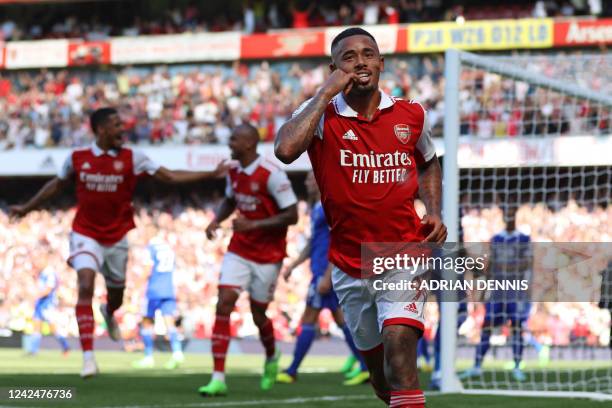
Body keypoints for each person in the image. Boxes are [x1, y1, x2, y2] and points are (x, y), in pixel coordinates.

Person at [276, 27, 446, 408]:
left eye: (368, 54)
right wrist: (325, 93)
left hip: (403, 253)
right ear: (334, 67)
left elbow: (430, 162)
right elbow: (286, 150)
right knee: (382, 378)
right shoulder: (319, 114)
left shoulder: (411, 114)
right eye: (348, 56)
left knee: (402, 358)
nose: (360, 62)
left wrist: (433, 211)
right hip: (349, 263)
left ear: (381, 63)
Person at [10, 107, 229, 378]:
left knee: (116, 295)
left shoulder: (133, 157)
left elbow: (169, 176)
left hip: (117, 237)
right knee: (86, 283)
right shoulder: (77, 158)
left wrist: (209, 174)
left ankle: (108, 310)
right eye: (115, 125)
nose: (122, 129)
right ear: (100, 129)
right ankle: (88, 358)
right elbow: (56, 185)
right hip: (85, 233)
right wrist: (27, 207)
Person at [198, 123, 298, 396]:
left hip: (268, 255)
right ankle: (218, 377)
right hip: (239, 250)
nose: (229, 142)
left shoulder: (272, 175)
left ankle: (272, 355)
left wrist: (254, 225)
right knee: (224, 303)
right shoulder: (233, 171)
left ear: (249, 143)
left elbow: (292, 215)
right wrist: (216, 220)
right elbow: (231, 200)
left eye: (234, 138)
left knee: (258, 314)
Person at [277, 172, 369, 386]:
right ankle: (366, 367)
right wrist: (293, 265)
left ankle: (292, 370)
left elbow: (339, 242)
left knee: (308, 319)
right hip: (323, 272)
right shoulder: (317, 207)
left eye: (310, 179)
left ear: (319, 181)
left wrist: (327, 275)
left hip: (325, 273)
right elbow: (313, 243)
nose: (307, 182)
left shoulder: (329, 206)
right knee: (342, 321)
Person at [459, 203, 532, 382]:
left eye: (511, 214)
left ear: (515, 216)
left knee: (516, 327)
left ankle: (516, 366)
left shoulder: (523, 238)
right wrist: (484, 288)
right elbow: (490, 266)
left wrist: (505, 268)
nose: (508, 218)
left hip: (515, 291)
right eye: (506, 214)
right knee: (487, 327)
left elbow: (526, 263)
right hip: (497, 291)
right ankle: (477, 366)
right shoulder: (496, 239)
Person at [132, 226, 184, 370]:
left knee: (147, 321)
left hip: (154, 289)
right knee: (170, 322)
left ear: (150, 233)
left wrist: (136, 287)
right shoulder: (168, 248)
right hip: (168, 289)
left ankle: (148, 357)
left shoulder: (151, 248)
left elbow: (148, 269)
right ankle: (177, 353)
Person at [24, 257, 70, 356]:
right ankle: (33, 350)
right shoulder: (42, 273)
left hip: (47, 304)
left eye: (39, 261)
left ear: (45, 261)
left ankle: (65, 346)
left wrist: (36, 296)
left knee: (53, 328)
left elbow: (48, 290)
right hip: (40, 303)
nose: (38, 264)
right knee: (36, 325)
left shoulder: (50, 273)